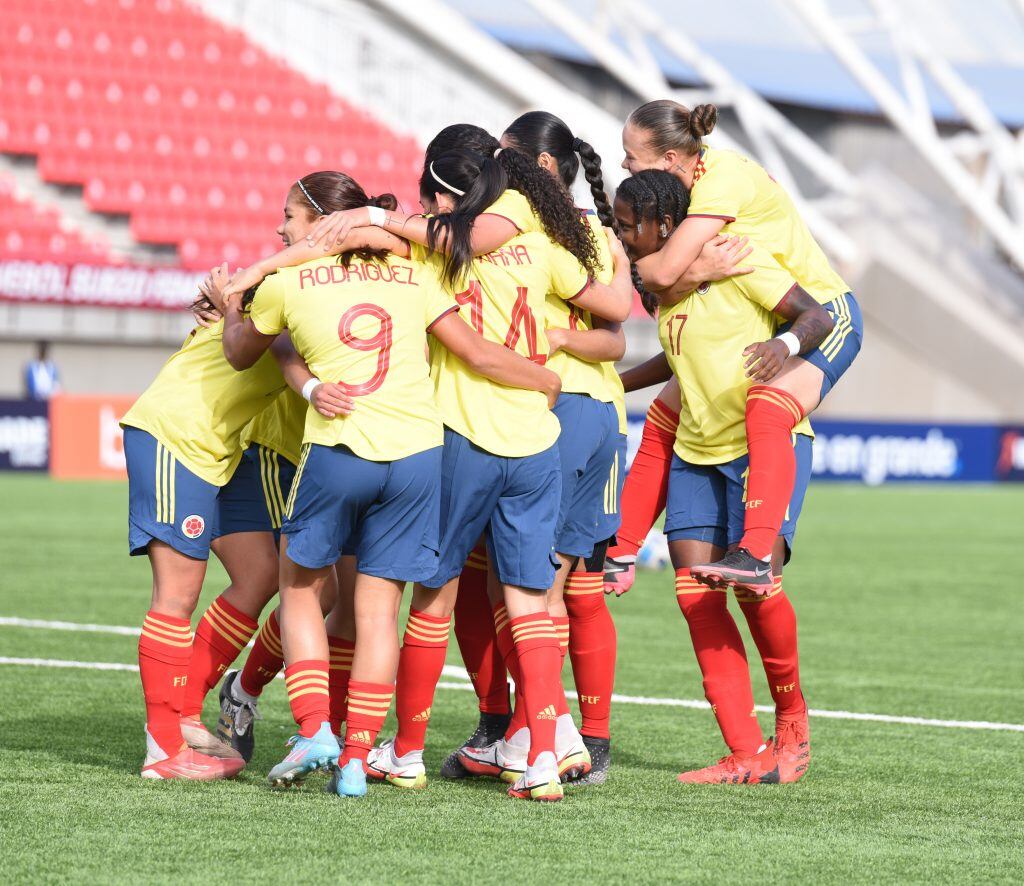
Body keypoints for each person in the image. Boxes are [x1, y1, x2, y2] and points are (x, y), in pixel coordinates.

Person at [209, 167, 564, 799]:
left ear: (315, 223)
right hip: (419, 456)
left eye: (290, 217)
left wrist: (236, 291)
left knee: (300, 591)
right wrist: (543, 379)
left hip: (340, 449)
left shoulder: (288, 280)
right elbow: (477, 350)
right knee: (377, 613)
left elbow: (243, 350)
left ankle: (316, 727)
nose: (283, 228)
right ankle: (355, 760)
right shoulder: (417, 273)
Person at [613, 169, 833, 784]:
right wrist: (616, 382)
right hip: (696, 449)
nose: (625, 235)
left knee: (756, 589)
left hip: (761, 448)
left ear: (666, 222)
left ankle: (792, 724)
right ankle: (743, 753)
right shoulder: (660, 285)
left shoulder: (735, 258)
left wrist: (787, 346)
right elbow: (680, 354)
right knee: (694, 597)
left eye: (632, 224)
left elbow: (816, 317)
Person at [608, 100, 863, 594]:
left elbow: (657, 274)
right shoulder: (691, 196)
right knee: (666, 416)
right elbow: (667, 290)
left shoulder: (719, 180)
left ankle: (756, 552)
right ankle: (620, 550)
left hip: (824, 313)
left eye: (630, 154)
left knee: (767, 407)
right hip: (772, 315)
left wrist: (693, 273)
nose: (624, 164)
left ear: (668, 160)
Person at [119, 265, 323, 781]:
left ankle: (183, 712)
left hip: (215, 452)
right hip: (177, 438)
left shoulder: (290, 293)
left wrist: (230, 300)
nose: (281, 231)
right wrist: (232, 301)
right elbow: (266, 345)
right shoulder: (286, 296)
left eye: (289, 220)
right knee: (176, 597)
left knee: (257, 575)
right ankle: (163, 750)